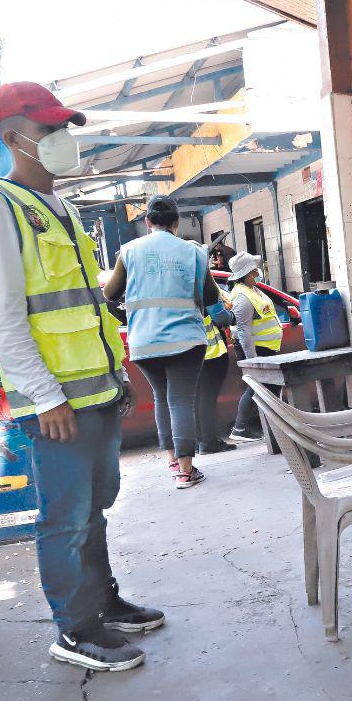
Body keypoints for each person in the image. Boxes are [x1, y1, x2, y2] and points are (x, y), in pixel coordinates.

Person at [0, 81, 163, 672]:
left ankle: (102, 603)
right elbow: (3, 319)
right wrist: (44, 396)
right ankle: (74, 628)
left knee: (94, 508)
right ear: (13, 138)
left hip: (97, 393)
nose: (62, 140)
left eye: (65, 129)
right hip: (56, 405)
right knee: (64, 517)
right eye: (49, 131)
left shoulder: (62, 209)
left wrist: (117, 375)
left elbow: (87, 307)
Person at [104, 196, 220, 488]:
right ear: (177, 222)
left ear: (147, 222)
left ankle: (172, 459)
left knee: (161, 398)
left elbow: (110, 293)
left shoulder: (128, 251)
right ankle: (185, 470)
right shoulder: (194, 252)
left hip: (144, 340)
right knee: (180, 400)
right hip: (185, 339)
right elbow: (211, 297)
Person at [225, 251, 283, 442]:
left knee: (268, 388)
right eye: (255, 268)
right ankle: (240, 428)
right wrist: (253, 361)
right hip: (256, 350)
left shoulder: (252, 289)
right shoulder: (242, 296)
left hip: (266, 348)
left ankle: (275, 429)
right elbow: (243, 331)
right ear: (249, 272)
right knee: (255, 387)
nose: (258, 270)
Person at [195, 279, 237, 454]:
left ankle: (201, 441)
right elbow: (220, 315)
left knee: (195, 399)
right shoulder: (202, 283)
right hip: (211, 352)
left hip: (189, 350)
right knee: (207, 399)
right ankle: (208, 442)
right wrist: (232, 316)